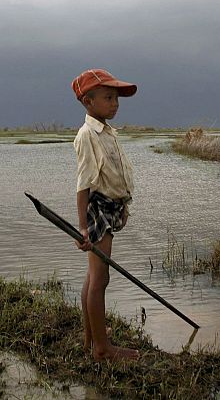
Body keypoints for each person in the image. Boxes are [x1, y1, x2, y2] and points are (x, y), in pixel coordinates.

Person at [71, 68, 141, 361]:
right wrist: (84, 229)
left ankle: (91, 338)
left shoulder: (107, 132)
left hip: (109, 208)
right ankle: (102, 349)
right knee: (100, 280)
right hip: (97, 209)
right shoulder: (88, 135)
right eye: (108, 97)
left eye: (116, 98)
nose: (115, 103)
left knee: (93, 277)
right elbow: (83, 184)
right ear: (89, 101)